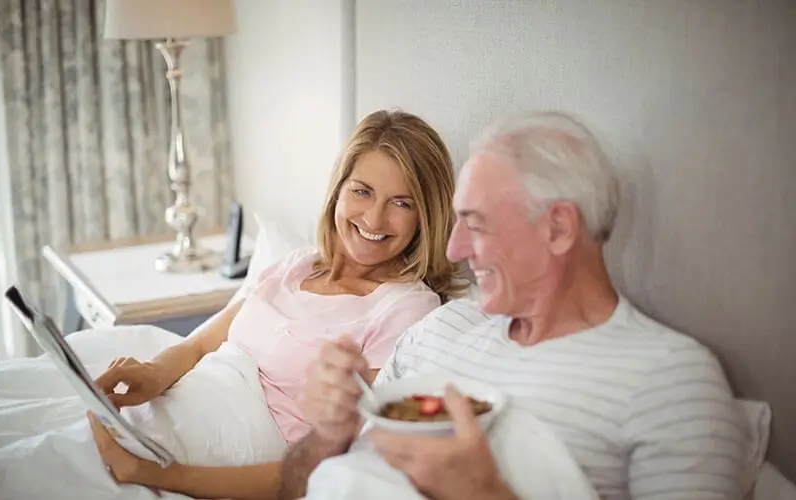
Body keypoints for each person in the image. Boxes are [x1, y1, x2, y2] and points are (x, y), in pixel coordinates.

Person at [279, 111, 752, 500]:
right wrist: (328, 434)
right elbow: (306, 489)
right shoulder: (438, 331)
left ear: (559, 228)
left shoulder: (669, 379)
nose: (453, 250)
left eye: (477, 224)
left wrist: (484, 493)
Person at [84, 109, 468, 499]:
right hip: (172, 410)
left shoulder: (406, 309)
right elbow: (200, 345)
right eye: (362, 191)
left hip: (210, 456)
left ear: (425, 216)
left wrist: (160, 475)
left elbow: (330, 467)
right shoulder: (297, 264)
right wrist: (151, 374)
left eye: (401, 203)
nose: (374, 217)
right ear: (339, 189)